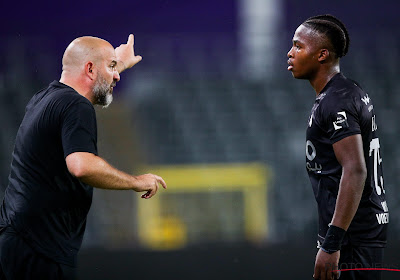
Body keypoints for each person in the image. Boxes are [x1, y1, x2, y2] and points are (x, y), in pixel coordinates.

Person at [0, 34, 167, 279]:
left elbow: (93, 81)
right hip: (39, 249)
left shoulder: (44, 98)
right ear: (90, 68)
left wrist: (116, 63)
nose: (117, 75)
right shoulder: (76, 105)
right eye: (111, 67)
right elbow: (81, 165)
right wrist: (136, 182)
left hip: (19, 243)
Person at [287, 15, 388, 280]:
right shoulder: (344, 92)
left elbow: (355, 170)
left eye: (298, 46)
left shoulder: (337, 100)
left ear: (322, 55)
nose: (290, 53)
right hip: (355, 235)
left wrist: (332, 243)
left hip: (352, 239)